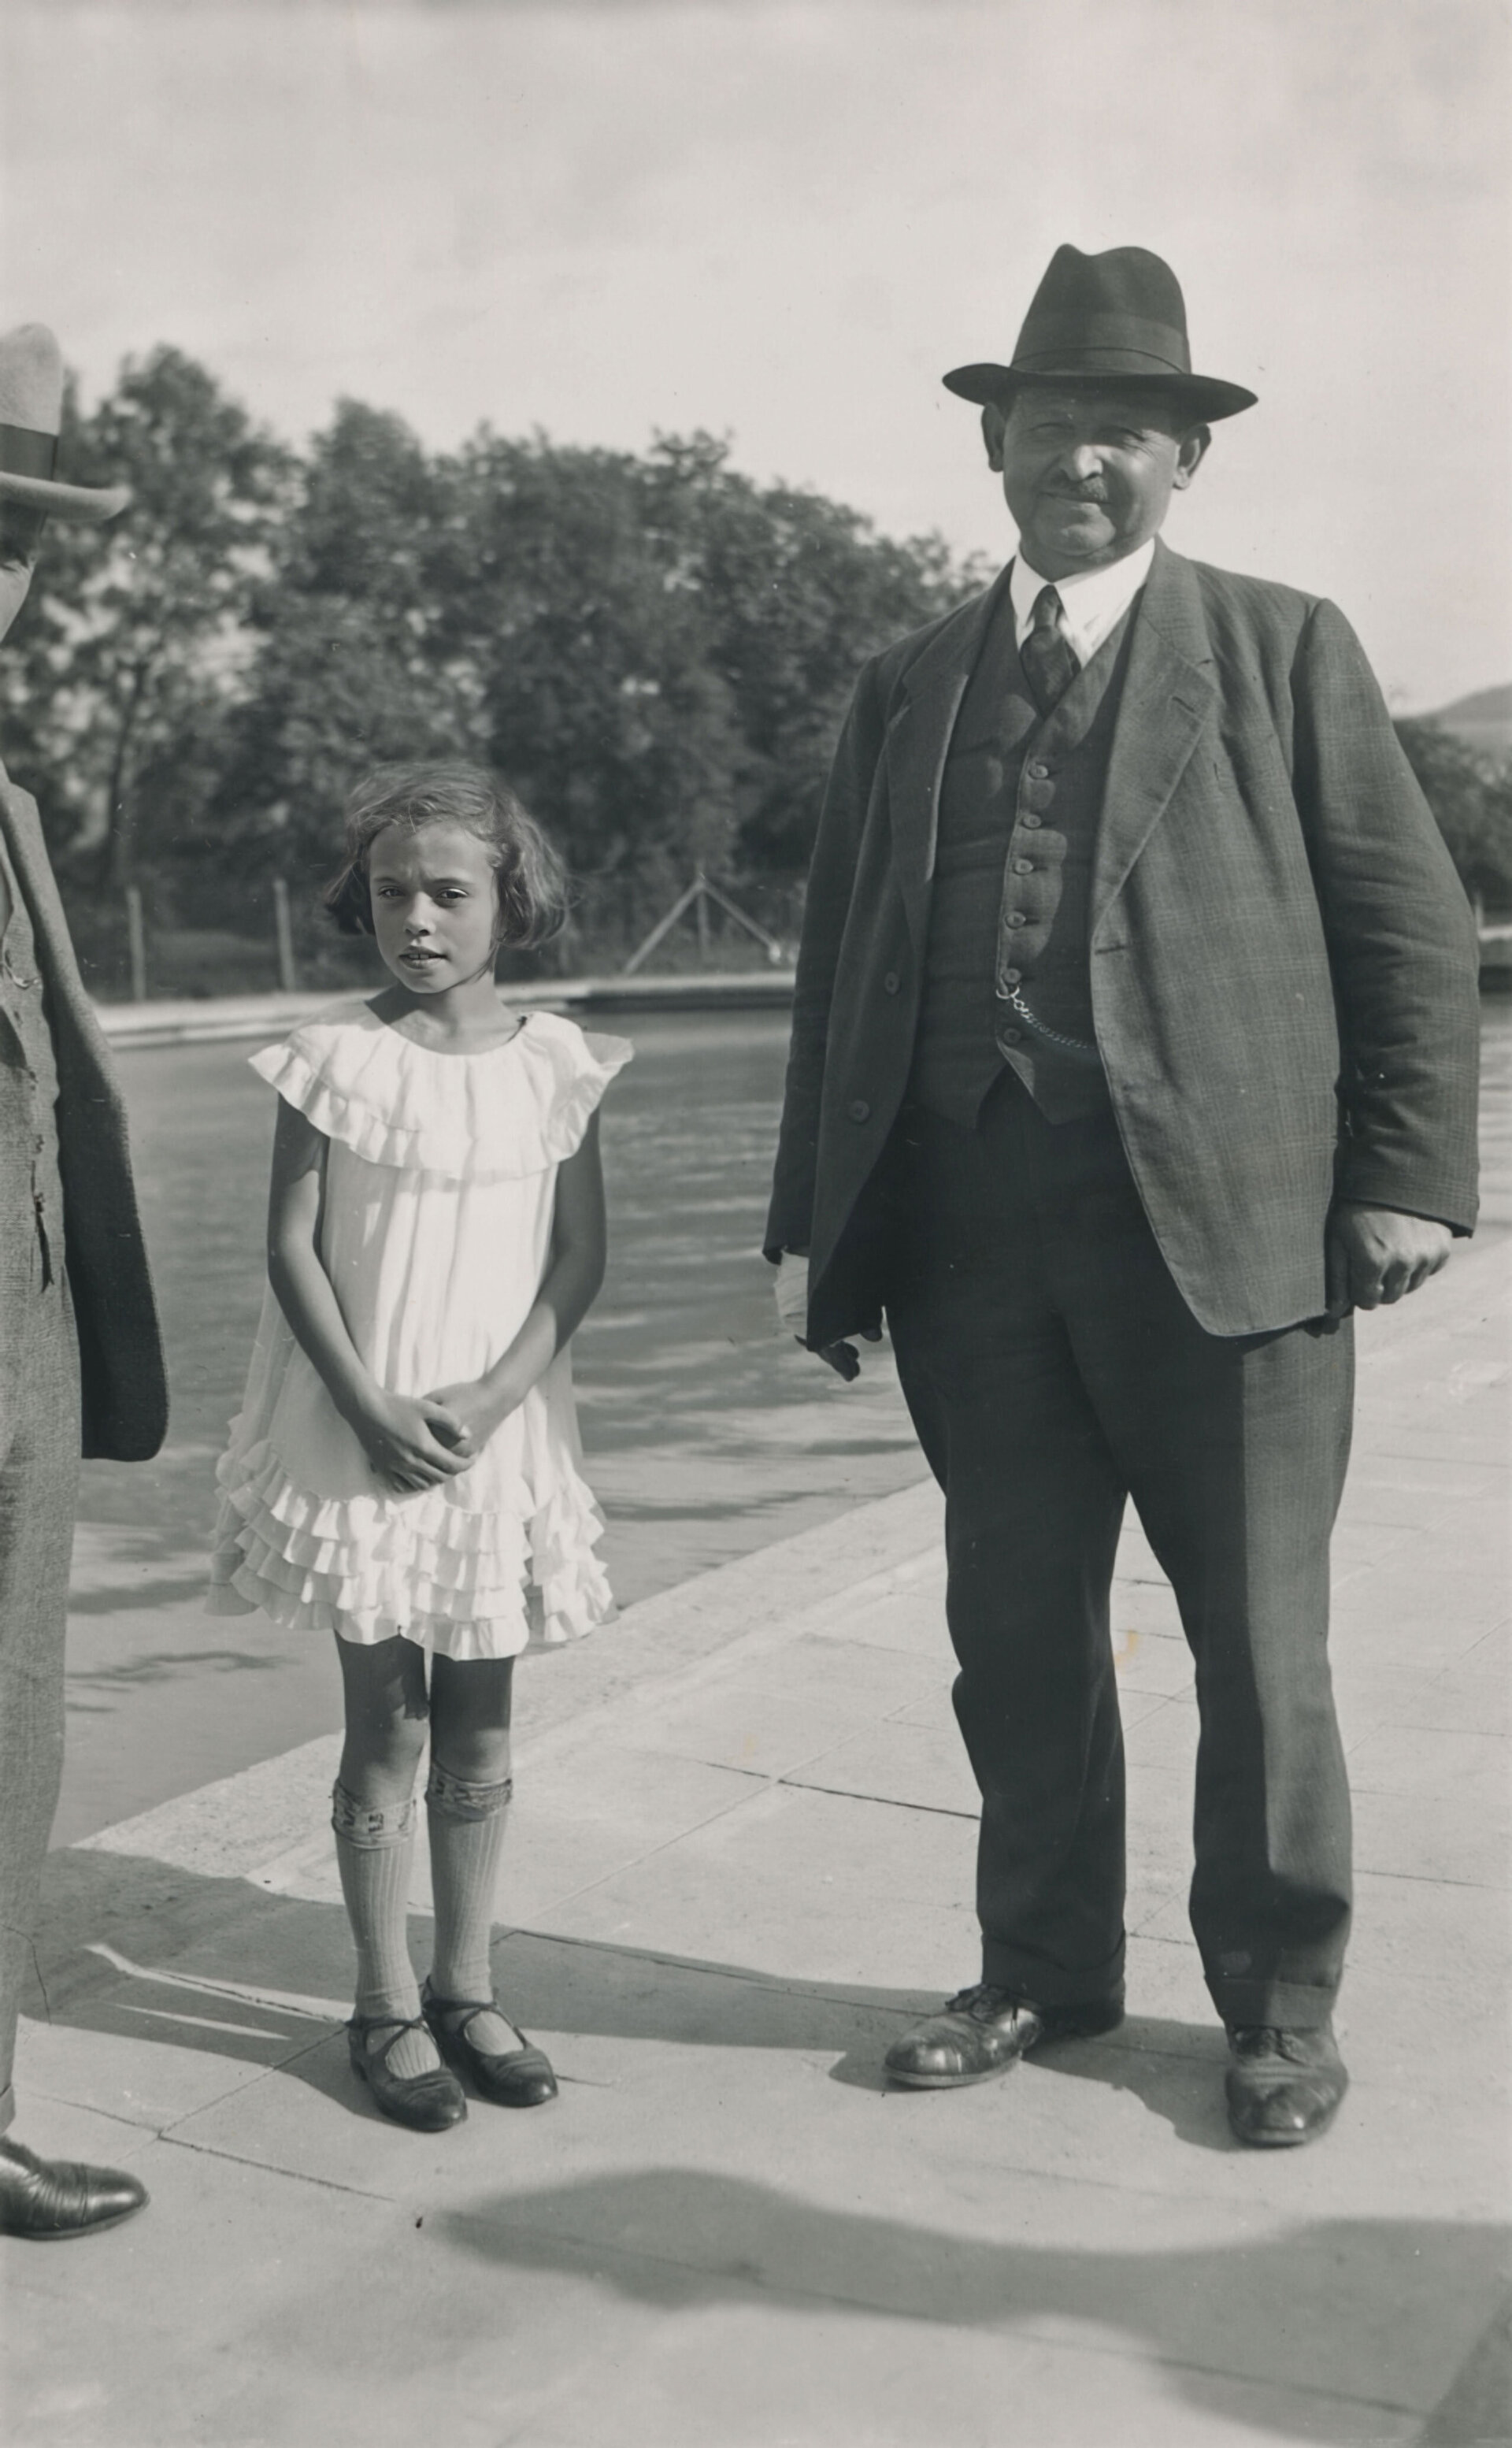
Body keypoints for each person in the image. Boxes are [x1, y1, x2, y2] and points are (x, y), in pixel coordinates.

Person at [765, 246, 1480, 2147]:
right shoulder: (908, 682)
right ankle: (1041, 1972)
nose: (1083, 457)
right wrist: (808, 1230)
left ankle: (1276, 2013)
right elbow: (842, 963)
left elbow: (1405, 933)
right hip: (969, 1239)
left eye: (1127, 432)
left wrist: (1405, 1179)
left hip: (1232, 1238)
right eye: (1054, 422)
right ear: (995, 440)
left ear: (1185, 464)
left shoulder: (1284, 645)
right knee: (1013, 1629)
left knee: (1260, 1649)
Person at [208, 762, 628, 2130]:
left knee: (484, 1718)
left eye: (450, 892)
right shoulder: (337, 1056)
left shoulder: (559, 1059)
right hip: (363, 1426)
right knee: (382, 1725)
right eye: (393, 894)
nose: (420, 920)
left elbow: (579, 1257)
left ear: (514, 898)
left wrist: (501, 1397)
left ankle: (469, 1982)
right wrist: (370, 1405)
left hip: (496, 1434)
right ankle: (383, 2002)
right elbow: (289, 1246)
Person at [0, 324, 168, 2236]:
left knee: (13, 1741)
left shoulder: (18, 803)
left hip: (31, 1363)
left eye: (20, 539)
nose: (2, 577)